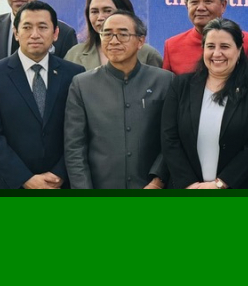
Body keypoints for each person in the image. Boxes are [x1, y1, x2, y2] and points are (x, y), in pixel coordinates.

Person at [0, 0, 85, 189]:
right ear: (16, 33)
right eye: (27, 27)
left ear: (55, 33)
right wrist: (25, 178)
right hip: (9, 182)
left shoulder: (74, 73)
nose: (35, 34)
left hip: (59, 183)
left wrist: (60, 173)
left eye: (43, 27)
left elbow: (80, 131)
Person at [64, 11, 173, 189]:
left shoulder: (164, 81)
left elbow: (172, 138)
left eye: (123, 34)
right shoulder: (82, 85)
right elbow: (74, 147)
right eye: (107, 34)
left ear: (140, 41)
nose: (114, 41)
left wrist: (158, 181)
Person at [160, 18, 248, 189]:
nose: (217, 53)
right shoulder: (181, 85)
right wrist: (190, 184)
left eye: (225, 47)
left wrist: (220, 184)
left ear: (239, 50)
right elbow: (169, 138)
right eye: (211, 46)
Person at [161, 0, 248, 75]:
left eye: (208, 1)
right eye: (194, 2)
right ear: (186, 5)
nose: (200, 7)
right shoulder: (172, 46)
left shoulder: (246, 42)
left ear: (223, 5)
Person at [64, 0, 163, 70]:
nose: (100, 17)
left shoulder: (147, 54)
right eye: (94, 12)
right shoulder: (74, 54)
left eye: (107, 11)